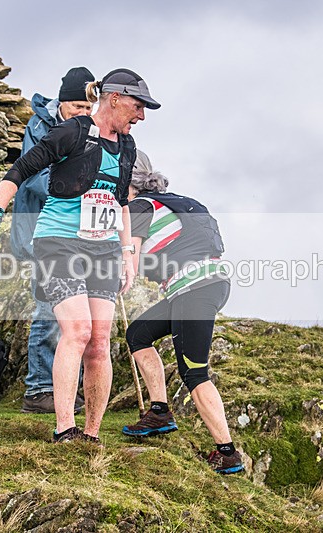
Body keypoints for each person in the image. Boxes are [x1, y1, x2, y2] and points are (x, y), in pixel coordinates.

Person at [0, 69, 160, 443]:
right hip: (58, 241)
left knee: (100, 340)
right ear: (114, 99)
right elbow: (19, 171)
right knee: (77, 331)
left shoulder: (128, 148)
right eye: (137, 106)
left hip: (104, 246)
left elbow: (121, 202)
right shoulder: (72, 131)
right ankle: (65, 428)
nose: (140, 116)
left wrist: (127, 252)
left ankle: (91, 433)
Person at [122, 151, 244, 475]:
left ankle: (227, 453)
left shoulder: (138, 207)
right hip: (202, 284)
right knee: (138, 334)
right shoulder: (177, 202)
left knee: (194, 373)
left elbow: (129, 262)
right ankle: (160, 411)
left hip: (194, 289)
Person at [12, 67, 95, 414]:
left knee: (74, 312)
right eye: (78, 107)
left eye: (89, 109)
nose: (84, 115)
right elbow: (32, 177)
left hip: (77, 236)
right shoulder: (40, 128)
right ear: (62, 103)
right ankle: (39, 389)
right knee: (48, 307)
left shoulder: (91, 131)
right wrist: (79, 191)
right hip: (42, 231)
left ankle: (63, 387)